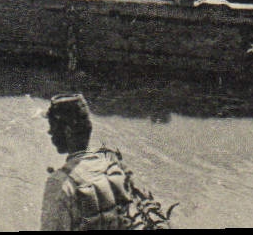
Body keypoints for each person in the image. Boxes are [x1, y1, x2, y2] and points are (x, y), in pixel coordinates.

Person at [37, 95, 167, 230]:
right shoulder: (112, 166)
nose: (50, 132)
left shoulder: (60, 183)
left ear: (68, 131)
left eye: (53, 126)